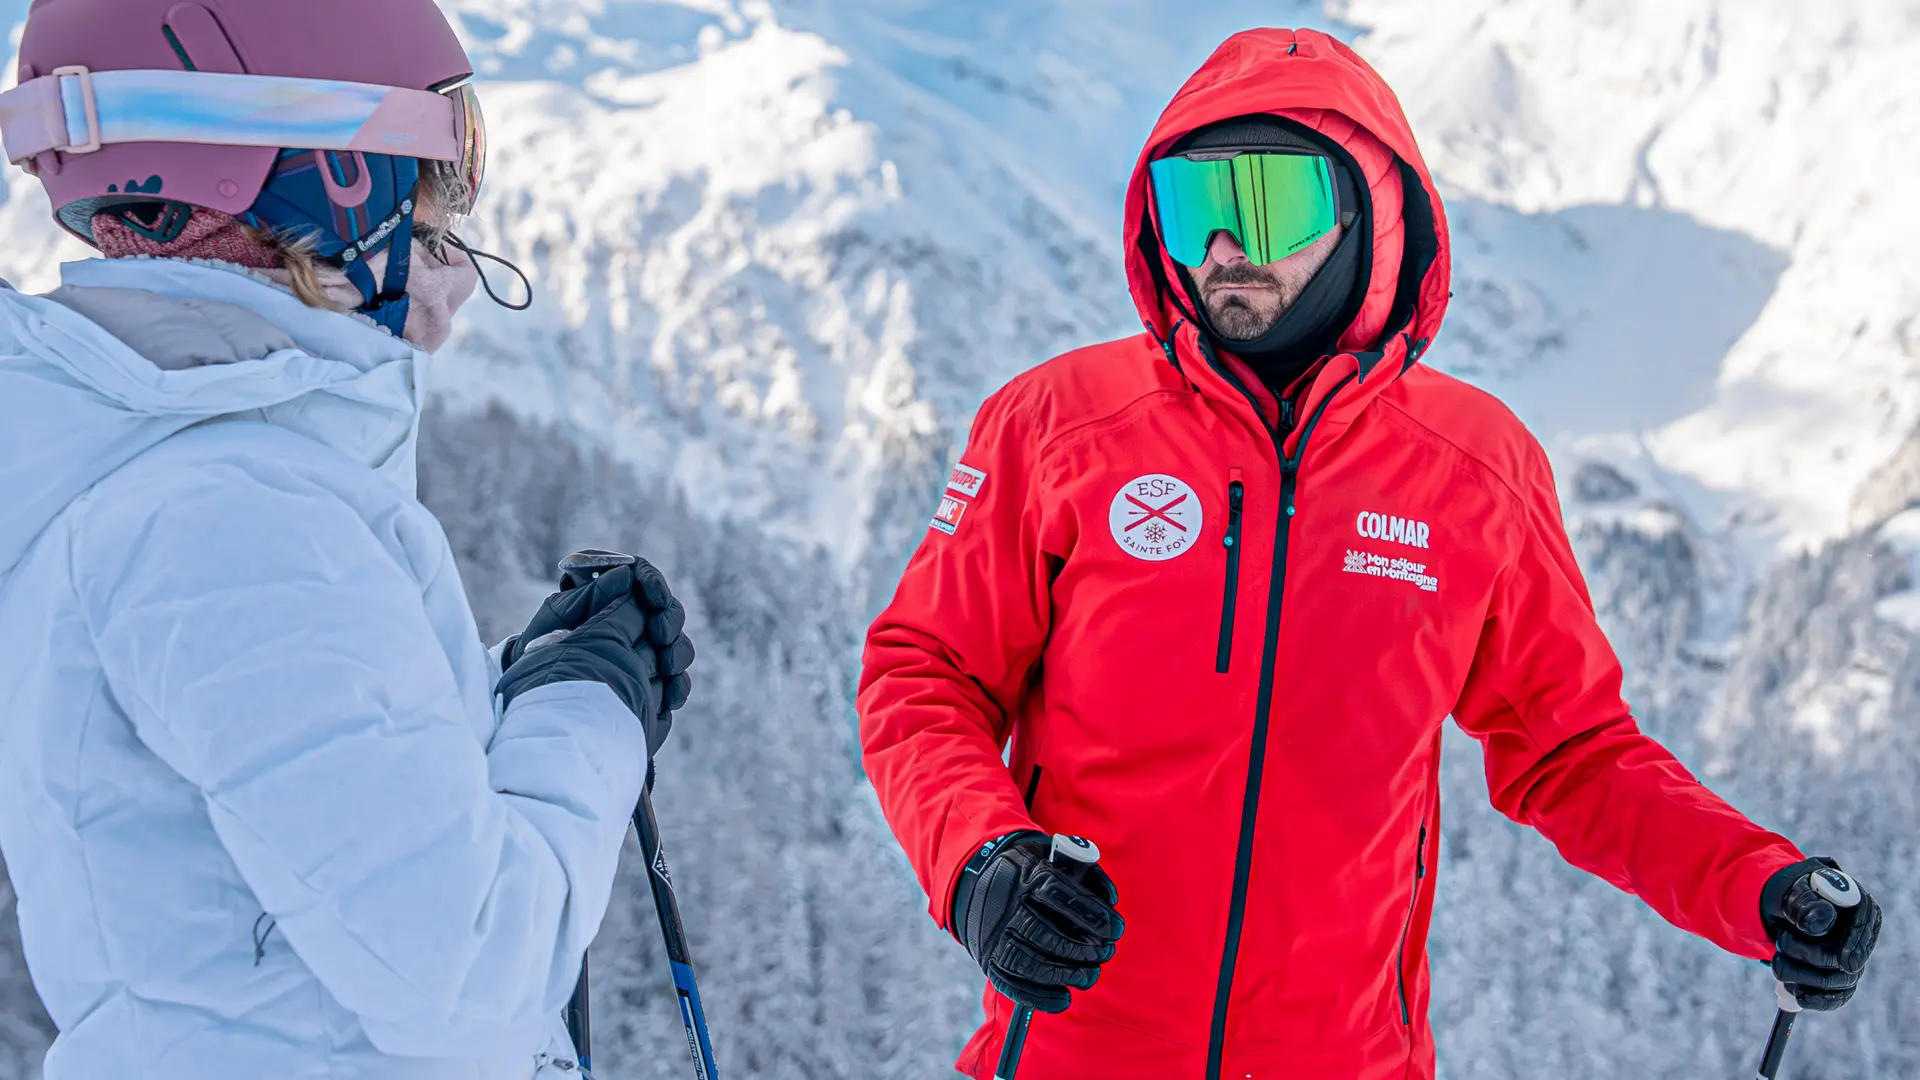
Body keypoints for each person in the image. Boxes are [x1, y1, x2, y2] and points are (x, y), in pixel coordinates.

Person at [858, 26, 1881, 1080]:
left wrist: (1759, 885)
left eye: (1268, 207)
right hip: (1066, 1056)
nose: (1222, 251)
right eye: (1193, 207)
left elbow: (1571, 752)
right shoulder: (1058, 429)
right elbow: (924, 677)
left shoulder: (1474, 471)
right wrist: (979, 859)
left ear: (1367, 214)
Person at [0, 1, 693, 1077]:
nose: (457, 282)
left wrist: (515, 689)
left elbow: (288, 866)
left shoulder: (140, 477)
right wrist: (589, 711)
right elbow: (470, 977)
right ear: (322, 185)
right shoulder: (229, 517)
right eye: (423, 224)